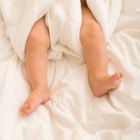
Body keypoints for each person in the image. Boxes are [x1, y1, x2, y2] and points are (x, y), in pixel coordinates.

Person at [21, 0, 123, 115]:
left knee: (93, 31)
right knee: (35, 39)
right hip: (46, 11)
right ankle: (40, 87)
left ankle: (99, 77)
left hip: (79, 9)